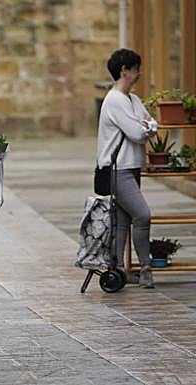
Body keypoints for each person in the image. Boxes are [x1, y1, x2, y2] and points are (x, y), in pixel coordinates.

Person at [97, 48, 157, 288]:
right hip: (117, 169)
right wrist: (147, 128)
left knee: (123, 221)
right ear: (125, 71)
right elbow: (138, 132)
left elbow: (151, 122)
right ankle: (145, 268)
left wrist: (148, 126)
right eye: (136, 69)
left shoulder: (133, 99)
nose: (139, 73)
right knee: (143, 214)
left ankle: (118, 270)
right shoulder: (114, 100)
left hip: (131, 167)